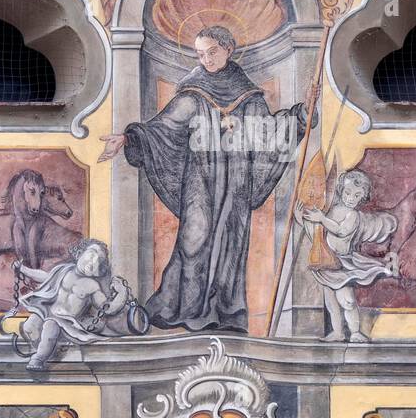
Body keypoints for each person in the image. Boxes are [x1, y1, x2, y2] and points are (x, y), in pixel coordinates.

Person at [100, 25, 314, 333]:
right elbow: (162, 128)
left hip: (236, 186)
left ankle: (226, 313)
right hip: (200, 185)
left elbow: (269, 131)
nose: (206, 60)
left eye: (212, 52)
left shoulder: (249, 96)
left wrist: (302, 116)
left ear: (228, 49)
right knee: (194, 238)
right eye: (201, 54)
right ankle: (183, 308)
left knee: (232, 245)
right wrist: (128, 138)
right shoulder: (192, 93)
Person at [296, 170, 398, 343]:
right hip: (326, 260)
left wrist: (321, 219)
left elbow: (341, 231)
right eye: (348, 192)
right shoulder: (333, 209)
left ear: (363, 197)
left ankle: (355, 332)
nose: (351, 198)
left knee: (348, 300)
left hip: (342, 264)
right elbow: (317, 233)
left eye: (357, 195)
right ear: (341, 190)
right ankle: (338, 332)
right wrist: (301, 218)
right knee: (331, 302)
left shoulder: (353, 215)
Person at [0, 239, 130, 369]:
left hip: (66, 322)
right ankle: (38, 346)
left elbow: (106, 307)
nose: (92, 262)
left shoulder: (92, 285)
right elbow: (44, 277)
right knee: (31, 325)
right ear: (79, 253)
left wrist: (121, 295)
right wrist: (23, 269)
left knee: (51, 326)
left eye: (98, 262)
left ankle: (38, 358)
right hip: (48, 312)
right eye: (91, 255)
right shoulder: (64, 271)